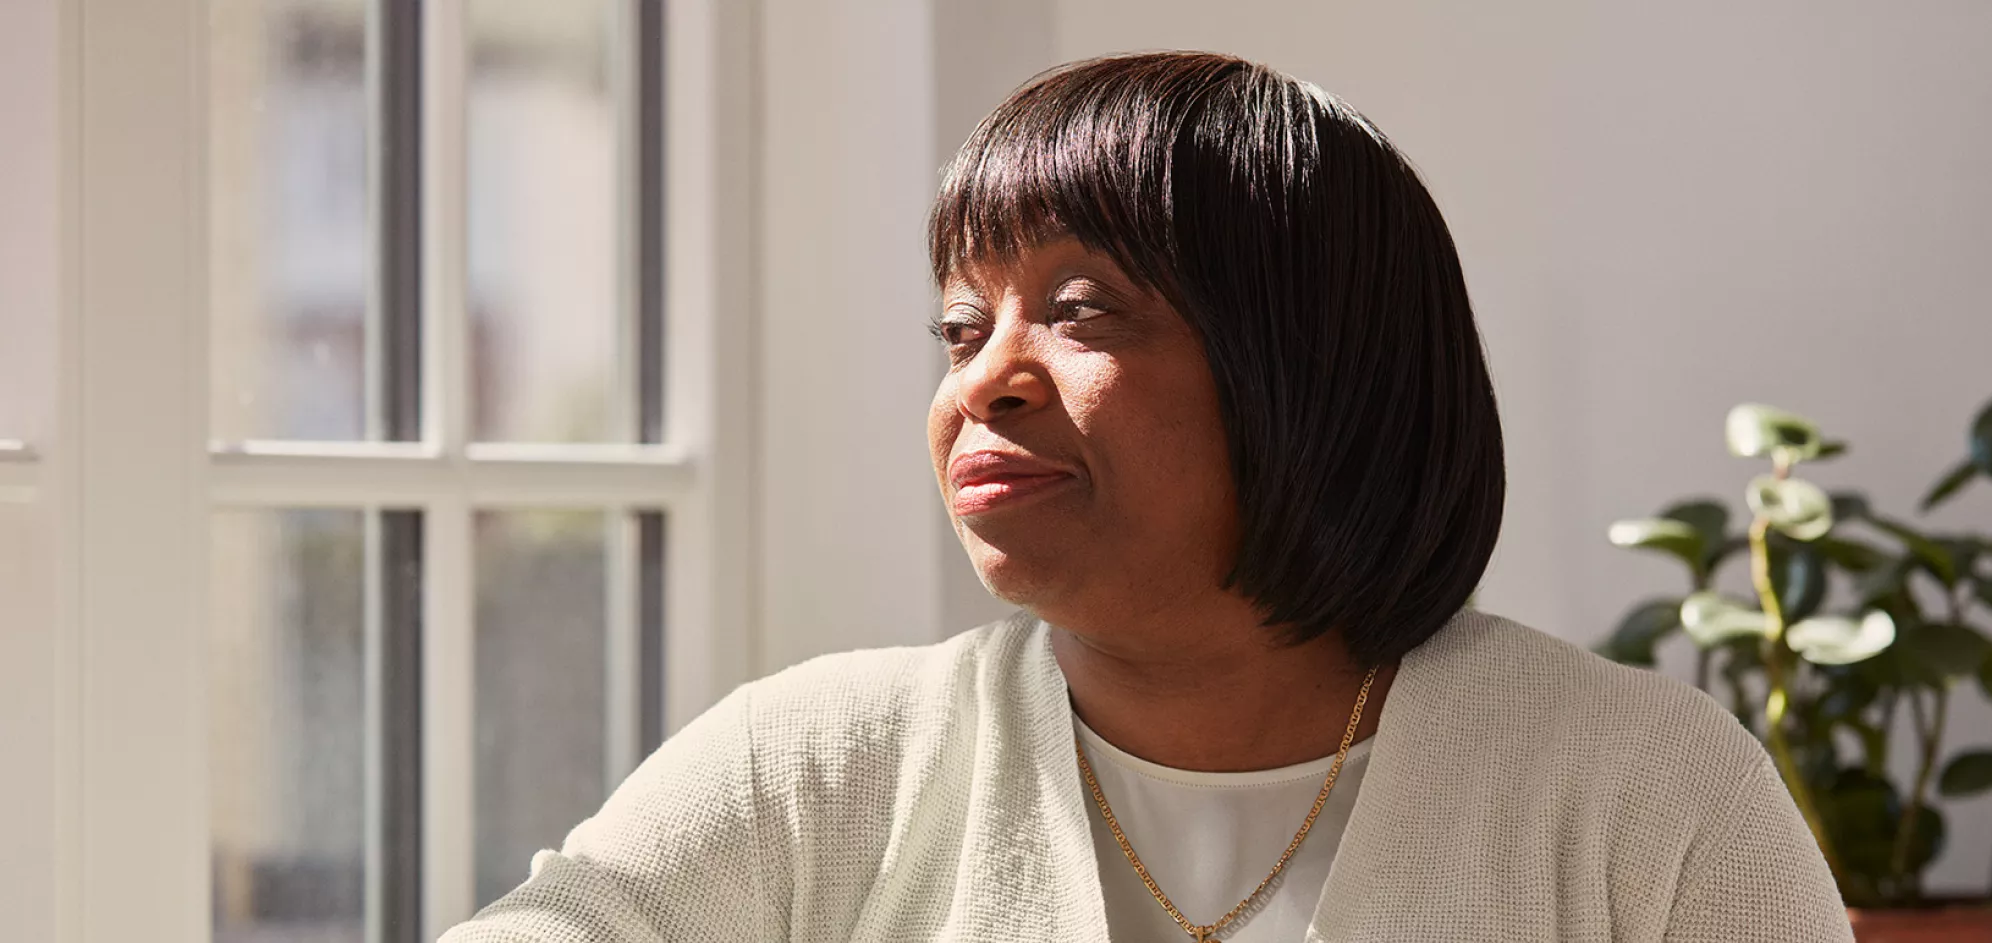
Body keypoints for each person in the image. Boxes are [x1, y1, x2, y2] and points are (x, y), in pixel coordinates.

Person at [445, 51, 1851, 943]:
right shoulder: (819, 765)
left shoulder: (1649, 797)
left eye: (1077, 310)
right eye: (958, 326)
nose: (984, 381)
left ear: (1307, 366)